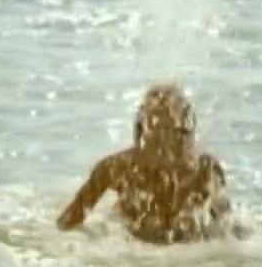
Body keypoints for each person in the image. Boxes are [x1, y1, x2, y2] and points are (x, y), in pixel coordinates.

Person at [56, 83, 240, 244]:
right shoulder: (116, 168)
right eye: (157, 133)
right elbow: (67, 223)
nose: (166, 144)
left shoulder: (204, 170)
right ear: (142, 132)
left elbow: (228, 228)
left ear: (187, 134)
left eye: (174, 133)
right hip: (133, 253)